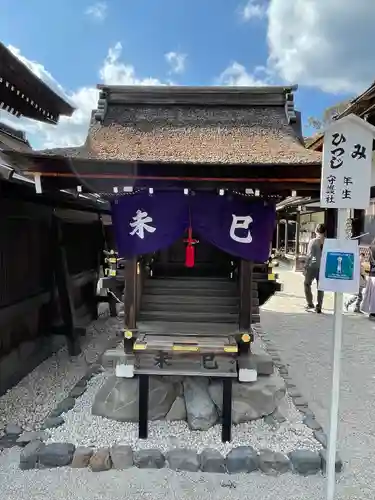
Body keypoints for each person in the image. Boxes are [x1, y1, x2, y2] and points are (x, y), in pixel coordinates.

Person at [304, 223, 326, 313]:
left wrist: (306, 266)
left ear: (316, 231)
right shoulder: (327, 242)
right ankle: (319, 306)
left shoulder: (313, 241)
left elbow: (310, 256)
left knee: (307, 284)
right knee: (320, 287)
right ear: (325, 232)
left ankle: (310, 303)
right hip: (323, 267)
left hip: (313, 266)